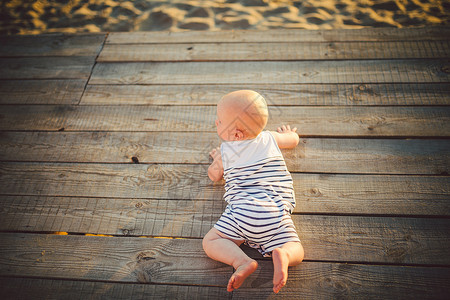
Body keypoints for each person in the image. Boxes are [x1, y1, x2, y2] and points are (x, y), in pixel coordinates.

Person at [202, 90, 304, 294]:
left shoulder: (225, 151)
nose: (216, 123)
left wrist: (217, 161)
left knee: (210, 242)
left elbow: (214, 176)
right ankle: (283, 254)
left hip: (242, 214)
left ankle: (241, 261)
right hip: (274, 212)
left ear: (237, 135)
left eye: (220, 122)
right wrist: (289, 134)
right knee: (297, 250)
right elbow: (293, 140)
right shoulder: (270, 138)